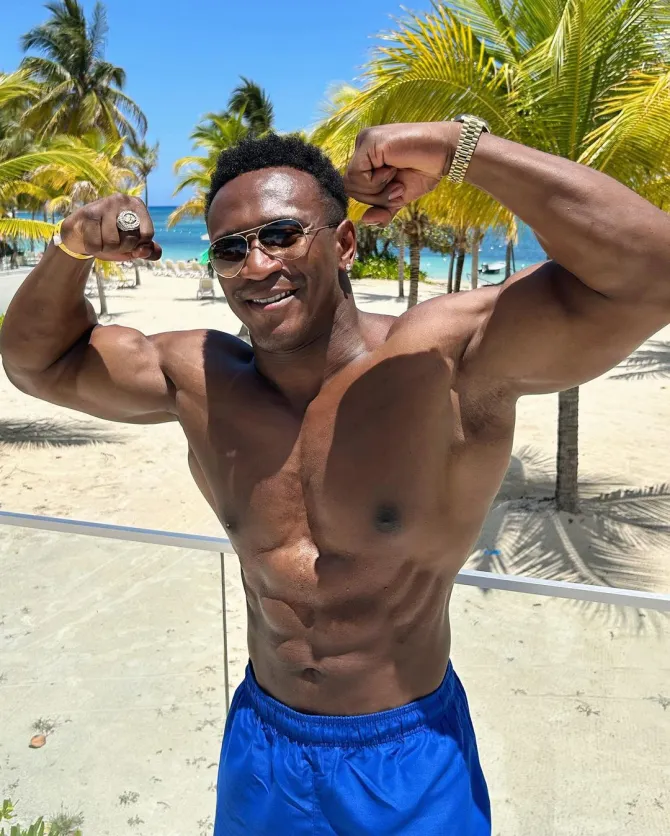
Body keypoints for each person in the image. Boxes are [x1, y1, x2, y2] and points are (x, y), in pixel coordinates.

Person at [2, 120, 669, 835]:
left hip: (408, 756)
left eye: (283, 235)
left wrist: (454, 150)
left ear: (345, 242)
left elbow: (650, 275)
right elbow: (37, 364)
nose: (257, 266)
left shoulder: (443, 364)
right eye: (231, 250)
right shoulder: (199, 379)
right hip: (264, 742)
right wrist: (73, 245)